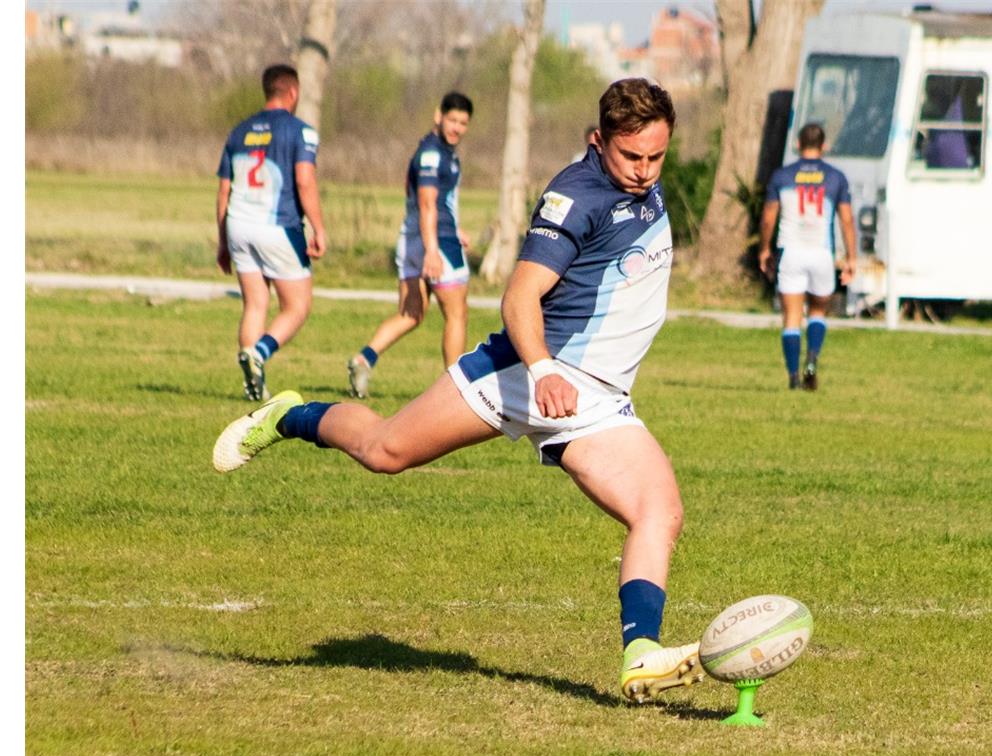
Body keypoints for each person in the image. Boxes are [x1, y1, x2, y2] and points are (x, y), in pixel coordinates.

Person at [213, 79, 700, 704]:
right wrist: (545, 368)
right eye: (631, 157)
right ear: (597, 141)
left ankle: (640, 657)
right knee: (387, 452)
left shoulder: (642, 182)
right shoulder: (574, 199)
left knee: (660, 510)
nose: (644, 170)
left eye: (656, 157)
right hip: (525, 375)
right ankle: (290, 414)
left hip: (597, 402)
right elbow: (520, 296)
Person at [347, 92, 475, 398]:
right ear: (438, 115)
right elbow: (427, 203)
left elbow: (438, 203)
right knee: (457, 314)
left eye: (463, 123)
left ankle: (364, 358)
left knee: (411, 314)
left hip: (414, 238)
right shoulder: (433, 154)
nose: (457, 127)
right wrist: (433, 249)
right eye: (452, 120)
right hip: (435, 242)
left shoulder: (439, 150)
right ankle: (455, 391)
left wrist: (454, 229)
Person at [217, 64, 327, 401]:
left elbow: (223, 191)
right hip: (276, 225)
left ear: (268, 91)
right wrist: (319, 228)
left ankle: (253, 387)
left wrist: (223, 241)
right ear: (293, 92)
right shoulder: (301, 131)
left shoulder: (238, 132)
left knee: (255, 303)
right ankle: (259, 353)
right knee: (298, 306)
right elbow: (305, 181)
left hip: (238, 224)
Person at [757, 123, 856, 390]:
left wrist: (765, 248)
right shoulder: (836, 177)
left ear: (798, 144)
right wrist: (851, 257)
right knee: (818, 310)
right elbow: (846, 220)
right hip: (822, 252)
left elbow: (768, 218)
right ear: (824, 147)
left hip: (791, 251)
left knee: (791, 315)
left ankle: (792, 377)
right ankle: (811, 357)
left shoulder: (782, 176)